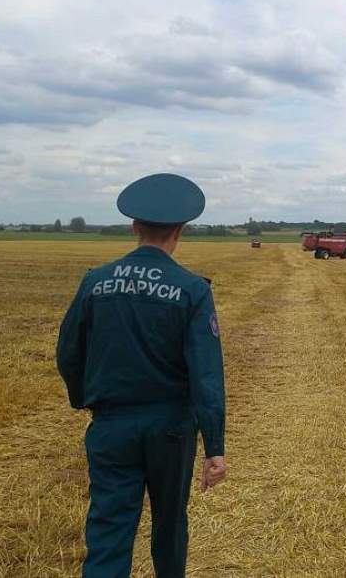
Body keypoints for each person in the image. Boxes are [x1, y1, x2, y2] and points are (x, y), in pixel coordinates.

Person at [56, 173, 227, 578]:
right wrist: (214, 446)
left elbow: (68, 352)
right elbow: (206, 374)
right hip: (170, 428)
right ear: (180, 231)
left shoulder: (95, 282)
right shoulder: (191, 290)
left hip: (111, 425)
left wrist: (85, 398)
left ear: (134, 227)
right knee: (169, 524)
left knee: (109, 528)